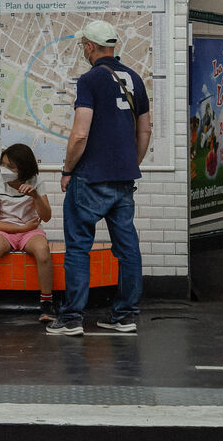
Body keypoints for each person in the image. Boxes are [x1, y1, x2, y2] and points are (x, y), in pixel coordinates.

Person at [47, 20, 151, 337]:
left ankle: (72, 319)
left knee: (79, 248)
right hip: (123, 179)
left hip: (90, 178)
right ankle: (125, 315)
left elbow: (80, 134)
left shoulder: (90, 80)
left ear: (90, 47)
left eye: (83, 46)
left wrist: (67, 171)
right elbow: (144, 130)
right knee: (127, 248)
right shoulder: (135, 79)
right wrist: (130, 163)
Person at [0, 143, 55, 324]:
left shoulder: (36, 182)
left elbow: (46, 217)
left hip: (31, 232)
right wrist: (22, 228)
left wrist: (36, 196)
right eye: (3, 164)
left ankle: (47, 302)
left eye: (11, 166)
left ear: (23, 168)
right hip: (5, 230)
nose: (5, 170)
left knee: (43, 251)